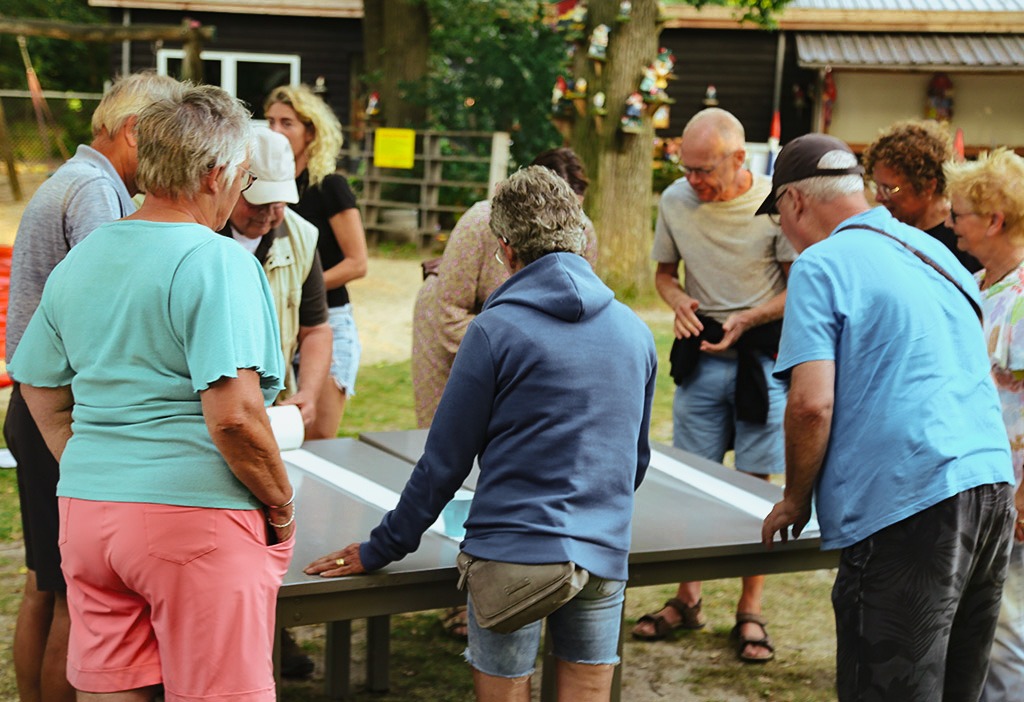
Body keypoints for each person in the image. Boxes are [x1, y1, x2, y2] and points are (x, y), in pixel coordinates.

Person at [305, 166, 658, 702]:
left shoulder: (494, 331)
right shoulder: (635, 331)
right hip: (603, 551)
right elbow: (633, 462)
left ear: (505, 247)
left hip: (512, 553)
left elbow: (442, 464)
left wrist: (382, 547)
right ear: (581, 238)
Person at [9, 85, 295, 701]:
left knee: (110, 690)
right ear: (214, 173)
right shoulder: (217, 261)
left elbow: (35, 379)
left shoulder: (84, 257)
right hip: (194, 521)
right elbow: (236, 418)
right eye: (243, 178)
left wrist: (88, 458)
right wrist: (281, 503)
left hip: (90, 517)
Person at [761, 133, 1015, 701]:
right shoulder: (940, 255)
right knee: (956, 687)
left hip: (911, 500)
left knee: (887, 686)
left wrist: (796, 498)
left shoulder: (821, 264)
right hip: (991, 484)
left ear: (795, 202)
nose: (783, 230)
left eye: (778, 213)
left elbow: (810, 403)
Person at [2, 71, 182, 702]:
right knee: (78, 597)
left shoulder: (70, 180)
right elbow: (113, 306)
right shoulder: (95, 193)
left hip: (30, 402)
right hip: (57, 409)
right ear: (133, 131)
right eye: (162, 136)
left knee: (46, 584)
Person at [635, 107, 795, 663]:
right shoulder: (675, 200)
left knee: (756, 488)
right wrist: (678, 300)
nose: (693, 181)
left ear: (737, 158)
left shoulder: (777, 202)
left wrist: (747, 319)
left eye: (704, 170)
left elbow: (799, 288)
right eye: (686, 169)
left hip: (761, 360)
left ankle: (749, 610)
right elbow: (663, 275)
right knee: (692, 484)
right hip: (701, 357)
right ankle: (688, 599)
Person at [412, 147, 597, 428]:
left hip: (523, 346)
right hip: (450, 333)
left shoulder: (584, 232)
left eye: (575, 214)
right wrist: (520, 348)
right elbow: (450, 313)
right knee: (447, 430)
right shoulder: (480, 223)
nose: (569, 227)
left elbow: (580, 310)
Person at [944, 148, 1024, 702]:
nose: (950, 225)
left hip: (1014, 498)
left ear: (994, 220)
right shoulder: (977, 286)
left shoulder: (1020, 299)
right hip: (980, 490)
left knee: (1007, 633)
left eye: (959, 215)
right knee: (980, 624)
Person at [264, 84, 368, 439]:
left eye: (287, 123)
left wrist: (300, 288)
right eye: (270, 121)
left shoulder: (329, 186)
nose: (275, 131)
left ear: (310, 132)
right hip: (278, 320)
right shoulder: (264, 185)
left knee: (318, 435)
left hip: (328, 320)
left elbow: (357, 262)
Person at [220, 126, 332, 432]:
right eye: (257, 203)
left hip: (272, 409)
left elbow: (316, 330)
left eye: (279, 203)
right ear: (231, 184)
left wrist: (308, 392)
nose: (268, 215)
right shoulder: (200, 232)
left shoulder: (303, 237)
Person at [862, 118, 981, 272]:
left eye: (889, 188)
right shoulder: (888, 233)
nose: (878, 197)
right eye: (876, 187)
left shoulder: (963, 240)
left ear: (928, 186)